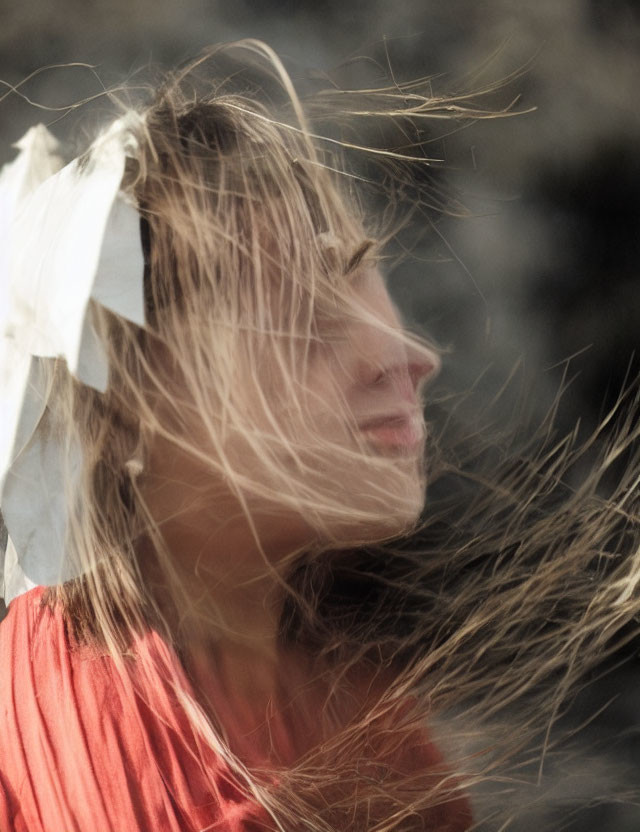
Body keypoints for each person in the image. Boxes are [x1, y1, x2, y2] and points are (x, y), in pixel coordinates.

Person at [0, 41, 638, 831]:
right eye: (302, 313)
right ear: (128, 402)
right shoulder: (155, 767)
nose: (411, 358)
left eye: (362, 273)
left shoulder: (321, 671)